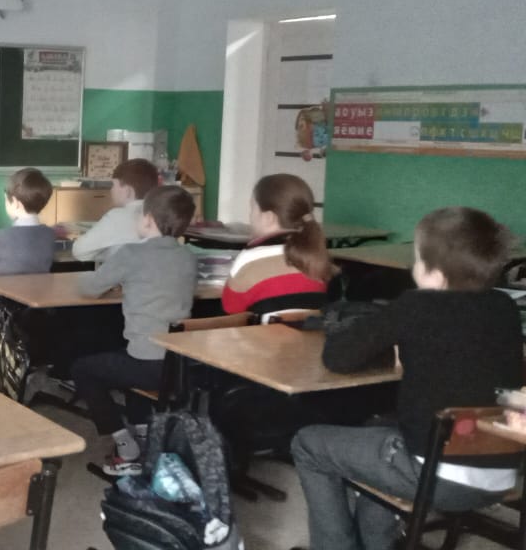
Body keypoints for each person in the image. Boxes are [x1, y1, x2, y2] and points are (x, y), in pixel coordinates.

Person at [291, 207, 521, 550]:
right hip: (502, 471)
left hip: (436, 474)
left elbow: (337, 358)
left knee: (308, 443)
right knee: (377, 429)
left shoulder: (415, 305)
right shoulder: (505, 308)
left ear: (436, 276)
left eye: (417, 259)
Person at [70, 185, 199, 476]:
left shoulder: (131, 253)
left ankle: (125, 445)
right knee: (128, 356)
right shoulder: (188, 257)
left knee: (83, 369)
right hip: (179, 365)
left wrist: (110, 280)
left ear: (148, 219)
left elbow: (89, 288)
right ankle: (144, 434)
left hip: (146, 364)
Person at [221, 173, 333, 314]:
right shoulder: (315, 252)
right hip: (311, 328)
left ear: (269, 217)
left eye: (252, 209)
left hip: (264, 329)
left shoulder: (250, 257)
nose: (250, 216)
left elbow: (230, 308)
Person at [72, 158, 161, 262]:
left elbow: (79, 251)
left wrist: (108, 253)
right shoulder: (162, 213)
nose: (111, 190)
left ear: (127, 191)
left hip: (124, 272)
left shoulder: (117, 216)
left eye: (113, 185)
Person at [0, 167, 57, 275]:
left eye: (6, 200)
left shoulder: (3, 237)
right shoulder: (49, 235)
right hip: (38, 287)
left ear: (16, 203)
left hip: (4, 287)